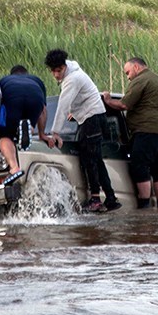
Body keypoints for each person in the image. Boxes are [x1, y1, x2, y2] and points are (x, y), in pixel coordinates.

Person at [44, 49, 121, 213]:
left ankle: (95, 199)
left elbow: (63, 106)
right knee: (97, 159)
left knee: (90, 159)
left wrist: (55, 132)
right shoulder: (74, 73)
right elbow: (76, 105)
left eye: (59, 70)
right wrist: (73, 117)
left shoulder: (72, 79)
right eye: (53, 71)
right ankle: (111, 198)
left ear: (65, 67)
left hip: (92, 119)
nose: (56, 75)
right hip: (95, 117)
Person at [102, 57, 158, 209]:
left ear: (136, 67)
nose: (128, 77)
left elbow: (123, 104)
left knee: (139, 165)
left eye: (128, 72)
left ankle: (144, 206)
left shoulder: (141, 80)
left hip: (148, 130)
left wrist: (108, 100)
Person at [0, 65, 53, 182]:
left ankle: (14, 168)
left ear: (11, 74)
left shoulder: (4, 80)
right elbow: (43, 110)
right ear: (27, 73)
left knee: (4, 136)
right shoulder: (37, 80)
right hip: (35, 95)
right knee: (29, 125)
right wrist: (42, 134)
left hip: (12, 96)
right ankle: (28, 129)